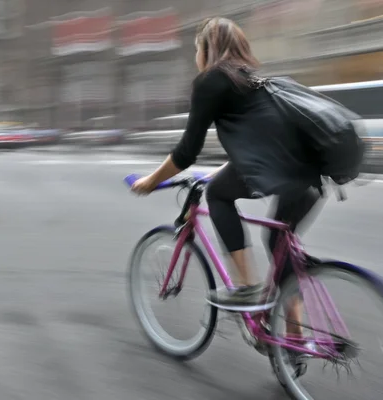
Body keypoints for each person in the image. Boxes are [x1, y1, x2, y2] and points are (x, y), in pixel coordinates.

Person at [130, 17, 322, 334]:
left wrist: (150, 181)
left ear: (206, 49)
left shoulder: (212, 81)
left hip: (282, 167)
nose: (196, 58)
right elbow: (260, 142)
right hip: (312, 172)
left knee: (217, 194)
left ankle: (247, 288)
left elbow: (186, 151)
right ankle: (296, 335)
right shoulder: (250, 80)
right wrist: (220, 169)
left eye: (196, 50)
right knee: (279, 242)